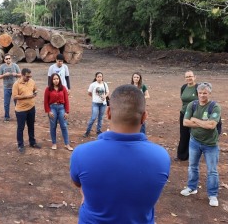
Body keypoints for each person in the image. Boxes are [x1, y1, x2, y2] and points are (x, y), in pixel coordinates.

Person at [70, 85, 170, 223]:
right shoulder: (161, 157)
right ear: (144, 117)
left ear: (108, 112)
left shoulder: (81, 153)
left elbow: (78, 183)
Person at [180, 82, 221, 207]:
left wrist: (195, 120)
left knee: (212, 171)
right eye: (200, 93)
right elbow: (185, 123)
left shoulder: (215, 107)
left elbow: (211, 125)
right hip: (194, 141)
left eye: (205, 93)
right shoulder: (192, 105)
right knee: (192, 166)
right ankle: (192, 187)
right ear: (197, 93)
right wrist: (203, 122)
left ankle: (212, 195)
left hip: (211, 144)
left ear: (210, 93)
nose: (202, 95)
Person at [12, 68, 41, 153]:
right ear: (22, 75)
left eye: (30, 76)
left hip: (31, 107)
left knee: (31, 126)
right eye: (27, 76)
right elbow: (15, 96)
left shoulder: (31, 81)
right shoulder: (16, 84)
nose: (29, 78)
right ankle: (20, 145)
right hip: (21, 110)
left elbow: (35, 89)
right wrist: (27, 97)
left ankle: (32, 142)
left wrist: (35, 92)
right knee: (21, 128)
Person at [44, 73, 73, 151]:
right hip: (52, 108)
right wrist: (48, 111)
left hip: (61, 108)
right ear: (51, 80)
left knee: (64, 126)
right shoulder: (48, 89)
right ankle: (54, 143)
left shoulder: (63, 88)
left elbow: (66, 100)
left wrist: (67, 111)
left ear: (59, 79)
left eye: (57, 79)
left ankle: (67, 144)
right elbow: (46, 101)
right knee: (53, 126)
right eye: (54, 79)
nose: (56, 80)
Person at [176, 70, 198, 161]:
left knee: (194, 135)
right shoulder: (184, 87)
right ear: (185, 78)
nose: (189, 78)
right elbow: (183, 99)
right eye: (187, 77)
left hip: (195, 115)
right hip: (184, 114)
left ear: (194, 77)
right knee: (184, 134)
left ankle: (195, 155)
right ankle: (182, 156)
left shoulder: (198, 87)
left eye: (190, 76)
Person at [83, 72, 109, 137]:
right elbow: (89, 93)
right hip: (95, 103)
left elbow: (107, 92)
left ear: (102, 77)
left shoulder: (105, 84)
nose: (99, 78)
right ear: (96, 77)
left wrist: (105, 96)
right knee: (93, 117)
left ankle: (98, 130)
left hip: (103, 103)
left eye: (101, 76)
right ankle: (87, 131)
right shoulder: (93, 85)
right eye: (98, 77)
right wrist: (94, 97)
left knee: (100, 118)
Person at [0, 54, 21, 122]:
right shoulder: (2, 67)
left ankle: (19, 116)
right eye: (6, 59)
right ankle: (7, 117)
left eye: (9, 58)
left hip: (15, 88)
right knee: (6, 103)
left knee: (17, 103)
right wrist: (4, 75)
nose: (8, 60)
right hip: (6, 87)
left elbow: (20, 75)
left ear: (11, 59)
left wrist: (16, 74)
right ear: (4, 60)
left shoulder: (15, 66)